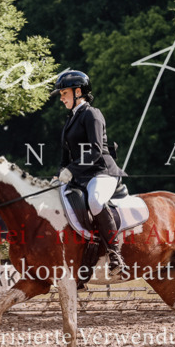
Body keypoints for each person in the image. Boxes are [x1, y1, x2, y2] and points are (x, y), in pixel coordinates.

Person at [54, 70, 126, 276]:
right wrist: (60, 173)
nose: (61, 98)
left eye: (64, 93)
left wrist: (71, 171)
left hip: (102, 172)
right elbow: (65, 156)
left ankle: (115, 253)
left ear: (78, 91)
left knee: (95, 201)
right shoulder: (70, 120)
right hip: (81, 177)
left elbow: (95, 150)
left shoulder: (92, 114)